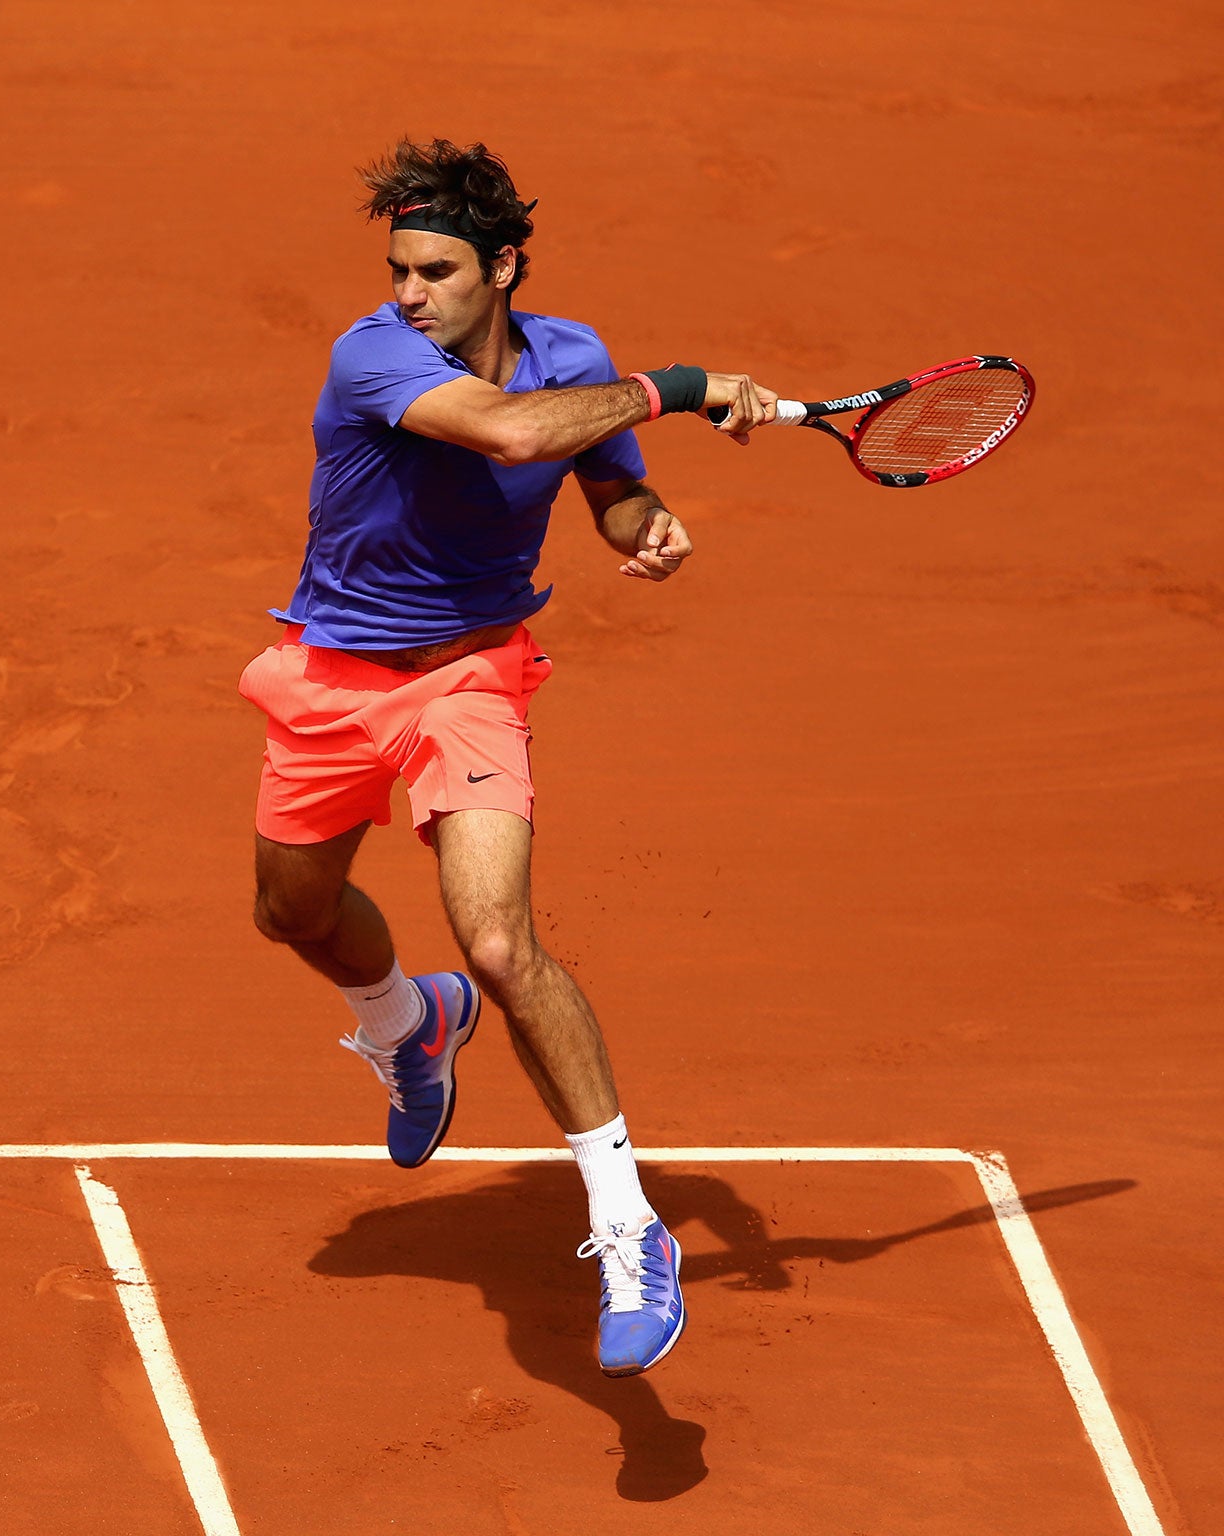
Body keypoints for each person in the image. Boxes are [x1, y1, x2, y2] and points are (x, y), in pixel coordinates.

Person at [239, 138, 780, 1377]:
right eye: (397, 268)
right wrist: (683, 384)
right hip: (329, 678)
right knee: (291, 910)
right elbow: (506, 435)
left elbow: (600, 483)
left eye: (433, 272)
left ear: (502, 266)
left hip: (471, 679)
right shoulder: (373, 356)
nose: (406, 293)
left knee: (495, 940)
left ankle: (626, 1221)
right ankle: (405, 1025)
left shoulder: (571, 358)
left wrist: (643, 526)